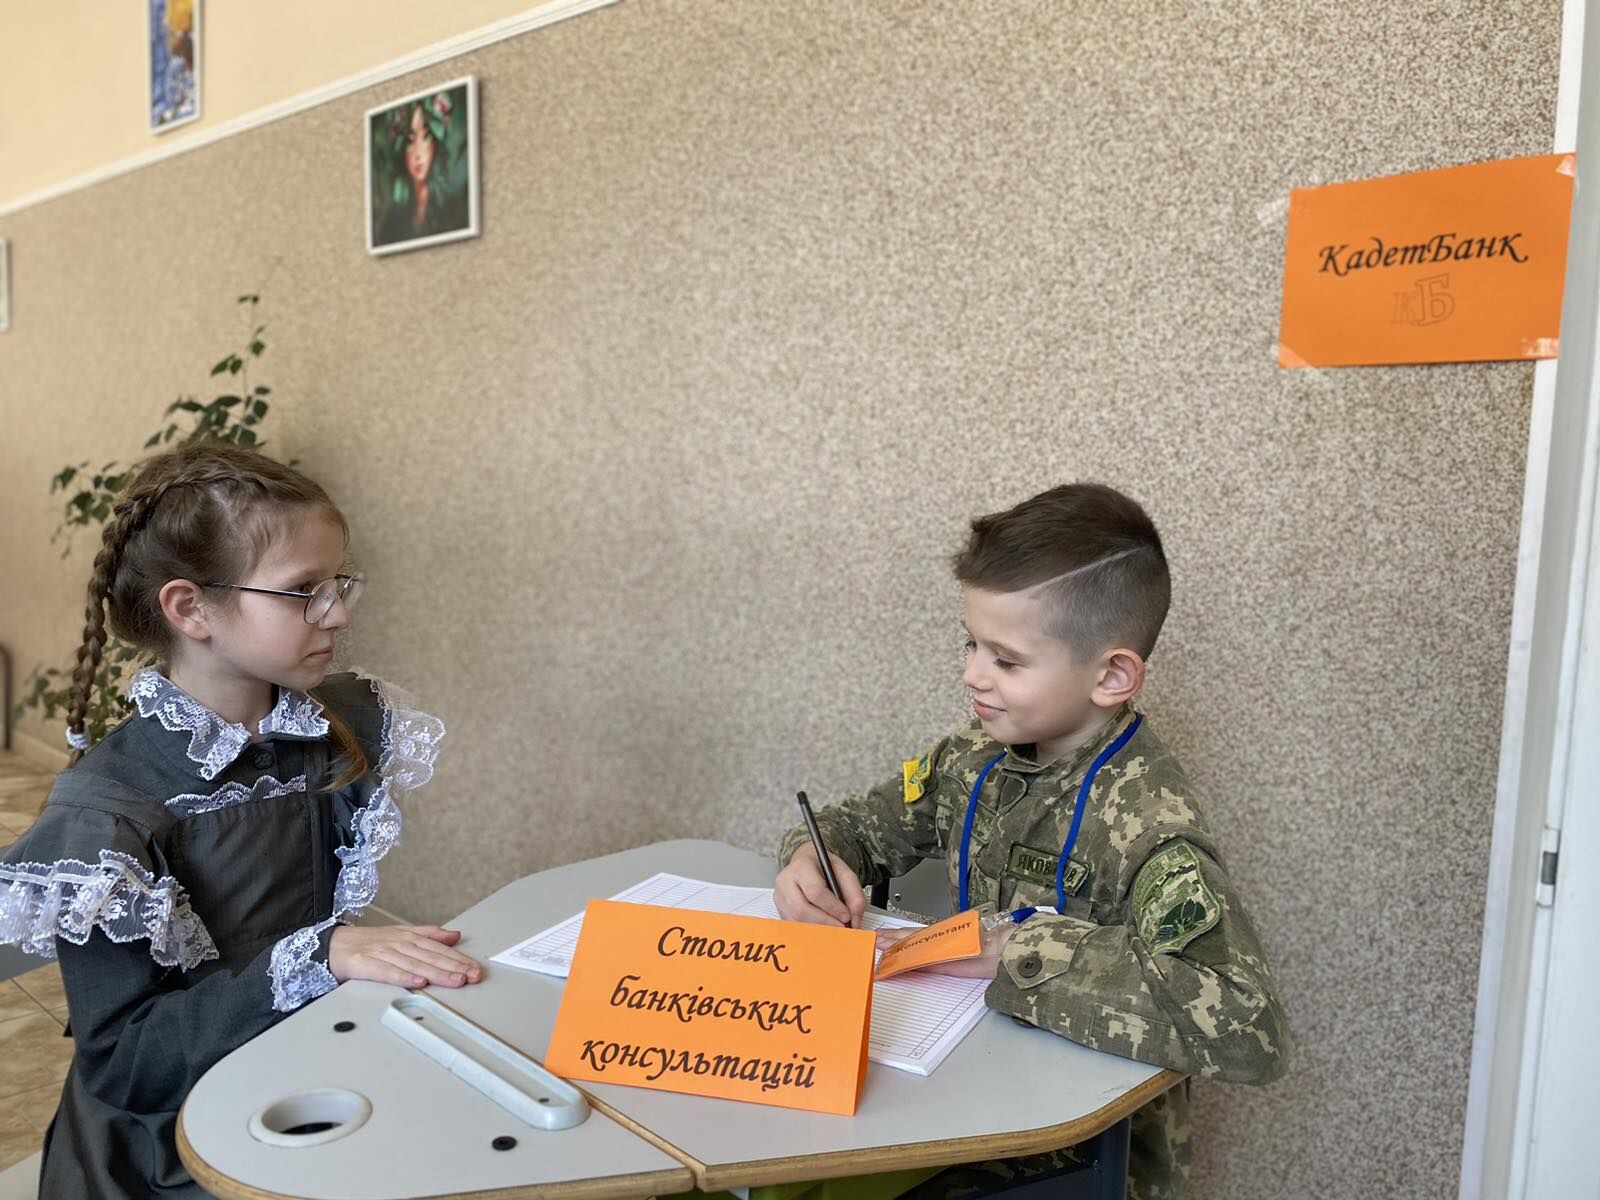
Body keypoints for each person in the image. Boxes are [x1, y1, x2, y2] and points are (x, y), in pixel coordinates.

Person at [774, 483, 1290, 1200]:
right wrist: (813, 859)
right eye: (971, 644)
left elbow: (1247, 1024)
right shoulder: (973, 754)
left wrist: (1018, 951)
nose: (971, 675)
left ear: (1111, 675)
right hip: (958, 1105)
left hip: (1076, 1163)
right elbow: (861, 826)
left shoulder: (1146, 817)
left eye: (1006, 661)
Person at [0, 440, 481, 1198]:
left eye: (338, 584)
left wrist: (339, 960)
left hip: (303, 1080)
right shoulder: (107, 812)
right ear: (191, 608)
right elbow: (125, 1061)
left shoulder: (342, 724)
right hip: (172, 1148)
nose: (338, 613)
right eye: (303, 591)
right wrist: (318, 956)